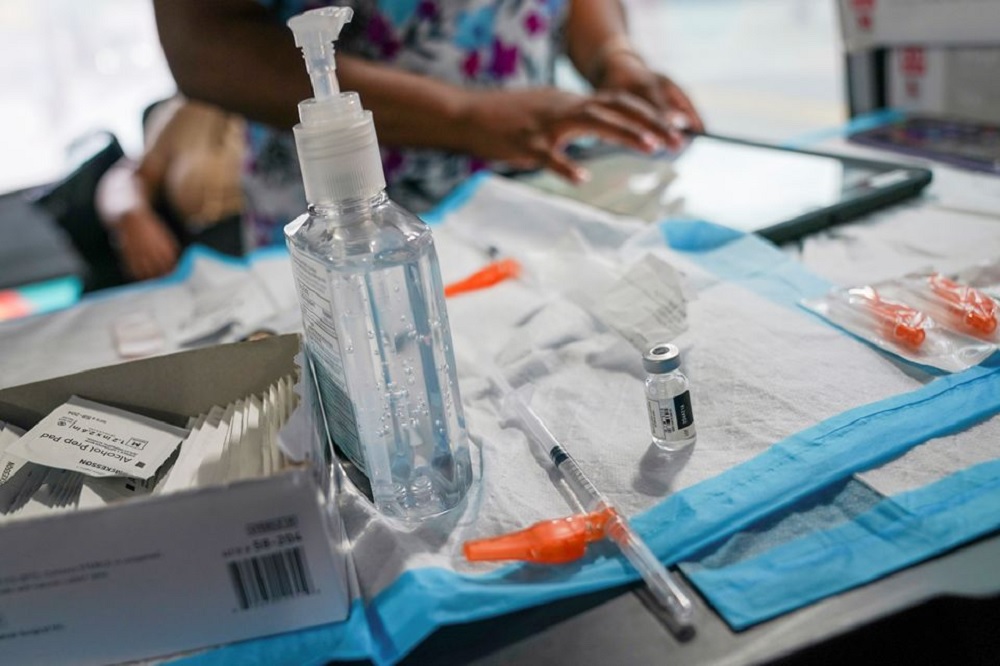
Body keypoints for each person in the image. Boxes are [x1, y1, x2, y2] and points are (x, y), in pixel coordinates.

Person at [152, 0, 704, 248]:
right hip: (344, 227)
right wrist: (463, 116)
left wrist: (614, 56)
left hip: (533, 196)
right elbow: (200, 42)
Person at [96, 97, 246, 280]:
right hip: (202, 254)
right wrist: (131, 214)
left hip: (270, 244)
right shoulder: (185, 109)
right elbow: (132, 175)